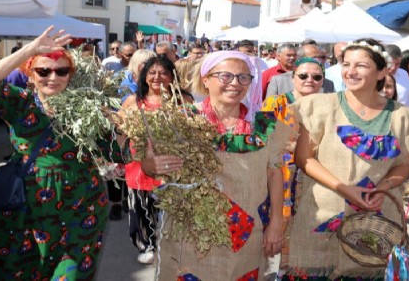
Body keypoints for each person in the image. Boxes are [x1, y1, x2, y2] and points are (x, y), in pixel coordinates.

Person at [0, 26, 120, 280]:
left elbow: (114, 152)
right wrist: (30, 49)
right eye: (43, 70)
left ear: (70, 75)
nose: (53, 76)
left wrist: (119, 138)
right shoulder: (19, 103)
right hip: (25, 208)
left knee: (70, 275)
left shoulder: (89, 109)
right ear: (30, 74)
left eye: (62, 71)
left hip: (81, 206)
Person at [285, 39, 409, 279]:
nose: (350, 71)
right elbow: (304, 159)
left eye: (361, 65)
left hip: (375, 218)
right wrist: (346, 189)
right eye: (346, 64)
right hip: (322, 213)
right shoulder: (319, 106)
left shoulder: (404, 117)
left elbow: (405, 164)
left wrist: (382, 188)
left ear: (382, 72)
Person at [142, 51, 291, 279]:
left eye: (243, 77)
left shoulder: (264, 124)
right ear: (205, 79)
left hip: (248, 236)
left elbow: (274, 173)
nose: (235, 83)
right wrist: (150, 166)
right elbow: (151, 165)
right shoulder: (182, 121)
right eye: (225, 76)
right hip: (192, 235)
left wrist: (276, 223)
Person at [120, 56, 193, 264]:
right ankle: (146, 245)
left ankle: (170, 245)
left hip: (174, 164)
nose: (157, 77)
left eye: (163, 73)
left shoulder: (183, 100)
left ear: (172, 77)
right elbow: (120, 132)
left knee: (171, 208)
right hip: (139, 164)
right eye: (152, 73)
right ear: (144, 77)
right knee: (142, 207)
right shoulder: (133, 101)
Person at [261, 57, 326, 276]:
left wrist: (296, 146)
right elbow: (261, 139)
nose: (310, 80)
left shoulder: (329, 108)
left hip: (316, 181)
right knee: (279, 235)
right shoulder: (275, 103)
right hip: (280, 181)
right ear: (293, 77)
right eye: (304, 76)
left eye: (316, 77)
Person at [266, 44, 334, 97]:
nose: (320, 60)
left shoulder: (329, 84)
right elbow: (268, 112)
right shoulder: (278, 81)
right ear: (300, 59)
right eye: (314, 58)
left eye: (322, 57)